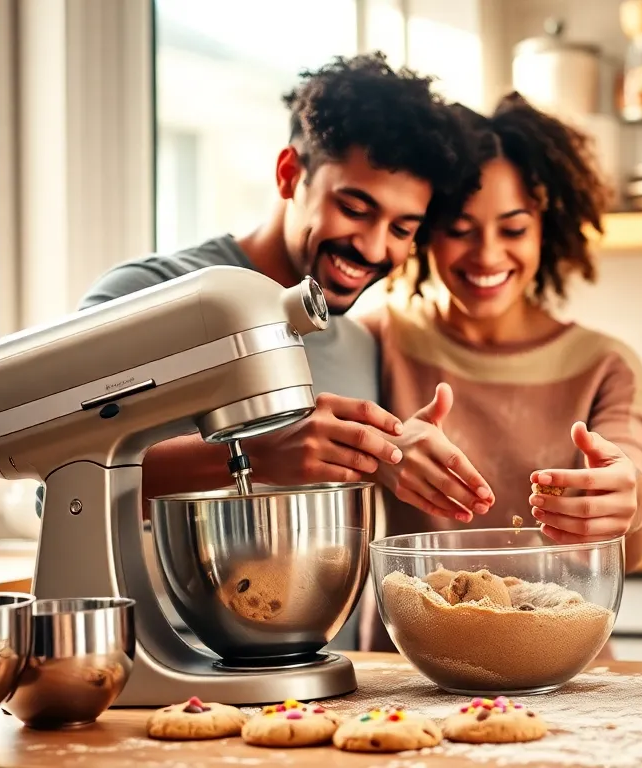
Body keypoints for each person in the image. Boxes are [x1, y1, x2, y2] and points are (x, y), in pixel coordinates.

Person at [63, 52, 490, 512]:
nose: (372, 247)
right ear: (290, 175)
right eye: (354, 209)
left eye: (402, 229)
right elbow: (63, 482)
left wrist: (390, 452)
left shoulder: (358, 345)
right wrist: (254, 455)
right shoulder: (148, 294)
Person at [356, 93, 642, 652]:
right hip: (409, 676)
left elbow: (630, 501)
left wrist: (629, 502)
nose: (487, 255)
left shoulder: (606, 366)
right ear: (426, 233)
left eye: (513, 229)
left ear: (547, 225)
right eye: (461, 228)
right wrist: (384, 454)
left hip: (563, 671)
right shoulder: (376, 340)